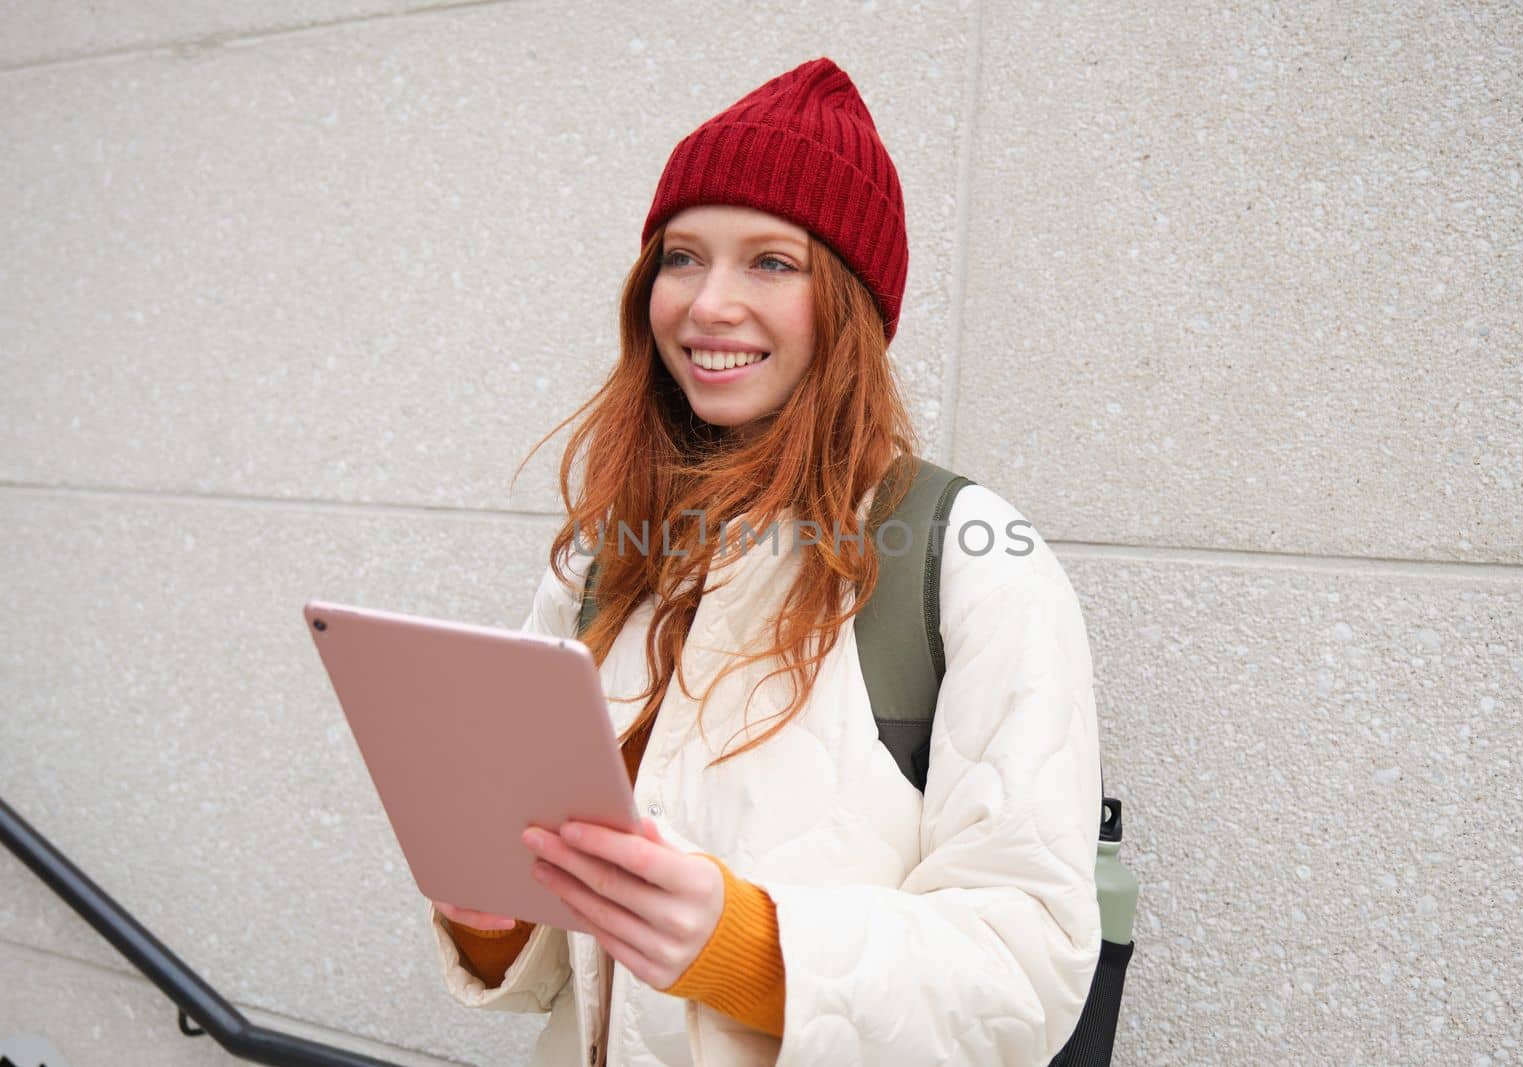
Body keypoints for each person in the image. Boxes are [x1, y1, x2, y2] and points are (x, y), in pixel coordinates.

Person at [427, 57, 1102, 1067]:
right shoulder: (604, 560)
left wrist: (745, 947)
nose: (706, 305)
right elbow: (571, 961)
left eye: (771, 263)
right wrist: (494, 916)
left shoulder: (968, 560)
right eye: (683, 257)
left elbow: (1029, 969)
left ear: (850, 306)